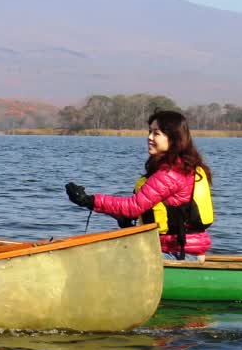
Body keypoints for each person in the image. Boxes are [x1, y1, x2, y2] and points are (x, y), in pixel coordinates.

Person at [65, 109, 214, 259]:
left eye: (156, 133)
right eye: (150, 132)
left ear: (173, 138)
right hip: (174, 250)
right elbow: (145, 207)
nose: (149, 137)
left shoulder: (171, 174)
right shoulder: (180, 167)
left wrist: (89, 200)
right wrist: (117, 215)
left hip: (177, 254)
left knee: (102, 257)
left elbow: (134, 206)